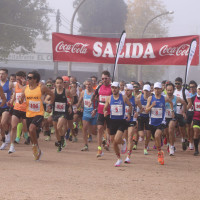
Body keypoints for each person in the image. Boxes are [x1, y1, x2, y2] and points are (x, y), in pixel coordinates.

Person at [19, 71, 54, 160]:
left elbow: (52, 94)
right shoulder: (25, 88)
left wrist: (50, 105)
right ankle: (36, 148)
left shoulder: (42, 88)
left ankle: (35, 147)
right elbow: (21, 99)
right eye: (28, 77)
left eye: (30, 78)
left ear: (35, 79)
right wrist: (19, 100)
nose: (28, 79)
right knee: (31, 133)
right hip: (29, 113)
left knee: (31, 128)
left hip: (39, 113)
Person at [103, 82, 132, 167]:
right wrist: (105, 111)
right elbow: (105, 107)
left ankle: (123, 142)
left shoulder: (123, 97)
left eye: (115, 88)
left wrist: (129, 114)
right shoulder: (109, 98)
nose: (114, 89)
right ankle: (119, 158)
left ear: (119, 89)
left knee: (117, 139)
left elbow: (130, 106)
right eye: (112, 88)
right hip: (112, 121)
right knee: (114, 143)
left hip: (121, 121)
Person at [146, 82, 174, 165]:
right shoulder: (150, 98)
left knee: (157, 135)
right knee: (156, 139)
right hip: (152, 122)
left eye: (158, 89)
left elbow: (171, 102)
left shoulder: (164, 98)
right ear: (153, 89)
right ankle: (159, 151)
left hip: (161, 121)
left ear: (161, 89)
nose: (157, 90)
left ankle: (160, 154)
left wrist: (172, 111)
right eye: (155, 89)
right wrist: (152, 106)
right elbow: (146, 110)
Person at [47, 77, 71, 152]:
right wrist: (50, 105)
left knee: (59, 127)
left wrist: (70, 106)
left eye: (60, 83)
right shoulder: (53, 91)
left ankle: (62, 138)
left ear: (63, 84)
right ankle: (60, 142)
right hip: (55, 112)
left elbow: (71, 98)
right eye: (57, 83)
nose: (59, 84)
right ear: (55, 84)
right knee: (56, 130)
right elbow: (46, 99)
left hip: (63, 112)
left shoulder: (66, 91)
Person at [91, 70, 112, 157]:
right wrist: (94, 108)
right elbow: (95, 97)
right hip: (100, 111)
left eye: (106, 78)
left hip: (110, 112)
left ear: (109, 78)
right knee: (99, 128)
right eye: (102, 78)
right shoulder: (99, 87)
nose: (104, 80)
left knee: (109, 130)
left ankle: (108, 142)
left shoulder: (112, 88)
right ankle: (99, 149)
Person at [8, 71, 28, 153]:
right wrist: (11, 101)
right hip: (16, 108)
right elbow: (15, 94)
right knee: (13, 127)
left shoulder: (28, 86)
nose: (17, 80)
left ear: (23, 77)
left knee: (25, 127)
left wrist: (23, 84)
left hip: (26, 110)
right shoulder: (15, 85)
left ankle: (26, 134)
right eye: (16, 79)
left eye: (18, 79)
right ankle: (12, 146)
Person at [164, 83, 186, 156]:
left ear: (173, 90)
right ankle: (169, 143)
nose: (169, 92)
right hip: (165, 118)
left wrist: (183, 112)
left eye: (171, 90)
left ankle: (172, 147)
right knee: (167, 133)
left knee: (171, 129)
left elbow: (184, 103)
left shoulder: (177, 98)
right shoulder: (163, 98)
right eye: (168, 90)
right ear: (166, 90)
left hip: (173, 117)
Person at [123, 84, 143, 163]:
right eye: (125, 90)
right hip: (123, 120)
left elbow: (142, 109)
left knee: (130, 136)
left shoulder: (136, 100)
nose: (126, 92)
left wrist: (137, 113)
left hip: (132, 120)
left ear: (131, 91)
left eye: (128, 90)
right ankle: (125, 145)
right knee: (125, 138)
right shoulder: (122, 99)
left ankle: (128, 156)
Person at [76, 79, 97, 151]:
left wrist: (95, 110)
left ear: (92, 85)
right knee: (84, 129)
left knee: (94, 131)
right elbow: (79, 101)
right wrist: (76, 108)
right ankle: (85, 145)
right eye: (86, 84)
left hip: (94, 114)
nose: (88, 86)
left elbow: (97, 103)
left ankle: (103, 137)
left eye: (89, 84)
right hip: (86, 113)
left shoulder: (95, 93)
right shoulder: (83, 92)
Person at [174, 77, 191, 150]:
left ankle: (184, 139)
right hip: (175, 112)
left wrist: (184, 111)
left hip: (182, 112)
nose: (177, 85)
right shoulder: (174, 91)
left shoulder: (185, 91)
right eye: (176, 83)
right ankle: (172, 144)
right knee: (173, 127)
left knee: (182, 128)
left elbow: (190, 103)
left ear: (181, 84)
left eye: (178, 84)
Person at [0, 68, 14, 150]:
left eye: (3, 74)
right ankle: (4, 141)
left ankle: (7, 134)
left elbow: (16, 93)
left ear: (6, 75)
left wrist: (12, 100)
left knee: (3, 122)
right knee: (0, 126)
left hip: (6, 106)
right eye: (0, 73)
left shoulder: (10, 84)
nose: (1, 75)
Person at [136, 84, 152, 155]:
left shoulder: (152, 98)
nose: (146, 92)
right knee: (142, 135)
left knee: (148, 134)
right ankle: (141, 137)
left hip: (148, 117)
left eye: (147, 91)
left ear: (149, 92)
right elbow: (134, 103)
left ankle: (145, 147)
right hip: (141, 117)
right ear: (143, 91)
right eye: (145, 90)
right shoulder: (139, 97)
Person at [187, 84, 200, 156]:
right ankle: (196, 150)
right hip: (196, 118)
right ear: (197, 90)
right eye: (199, 89)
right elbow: (189, 106)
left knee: (198, 134)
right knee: (196, 132)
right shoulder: (193, 98)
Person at [186, 80, 197, 150]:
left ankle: (193, 142)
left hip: (195, 113)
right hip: (188, 113)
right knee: (189, 128)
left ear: (196, 87)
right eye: (190, 87)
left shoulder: (197, 95)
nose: (192, 88)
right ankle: (190, 140)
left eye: (193, 87)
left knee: (193, 127)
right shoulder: (188, 94)